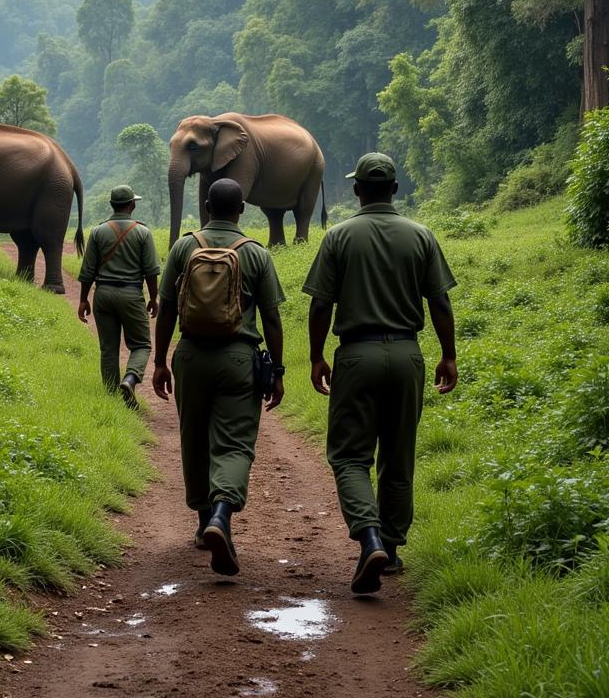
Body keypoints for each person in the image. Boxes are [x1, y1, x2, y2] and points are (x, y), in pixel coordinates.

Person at [302, 152, 458, 596]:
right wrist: (448, 355)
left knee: (350, 456)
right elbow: (440, 303)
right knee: (398, 454)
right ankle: (389, 549)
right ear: (394, 188)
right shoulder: (421, 235)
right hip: (408, 355)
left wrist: (316, 356)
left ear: (356, 190)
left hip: (357, 354)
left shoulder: (339, 237)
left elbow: (320, 304)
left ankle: (367, 536)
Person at [152, 178, 285, 576]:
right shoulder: (256, 254)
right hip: (238, 359)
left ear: (207, 206)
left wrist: (159, 361)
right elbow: (273, 318)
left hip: (191, 356)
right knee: (234, 444)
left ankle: (202, 521)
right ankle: (222, 517)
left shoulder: (184, 247)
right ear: (242, 209)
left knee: (194, 437)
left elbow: (166, 307)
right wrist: (276, 370)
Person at [78, 185, 160, 407]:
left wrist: (83, 299)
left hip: (102, 294)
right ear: (132, 205)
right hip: (131, 294)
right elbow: (151, 271)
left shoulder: (97, 232)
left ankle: (113, 399)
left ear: (112, 205)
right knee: (141, 344)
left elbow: (87, 271)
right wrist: (154, 298)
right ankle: (130, 379)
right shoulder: (142, 232)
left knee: (108, 349)